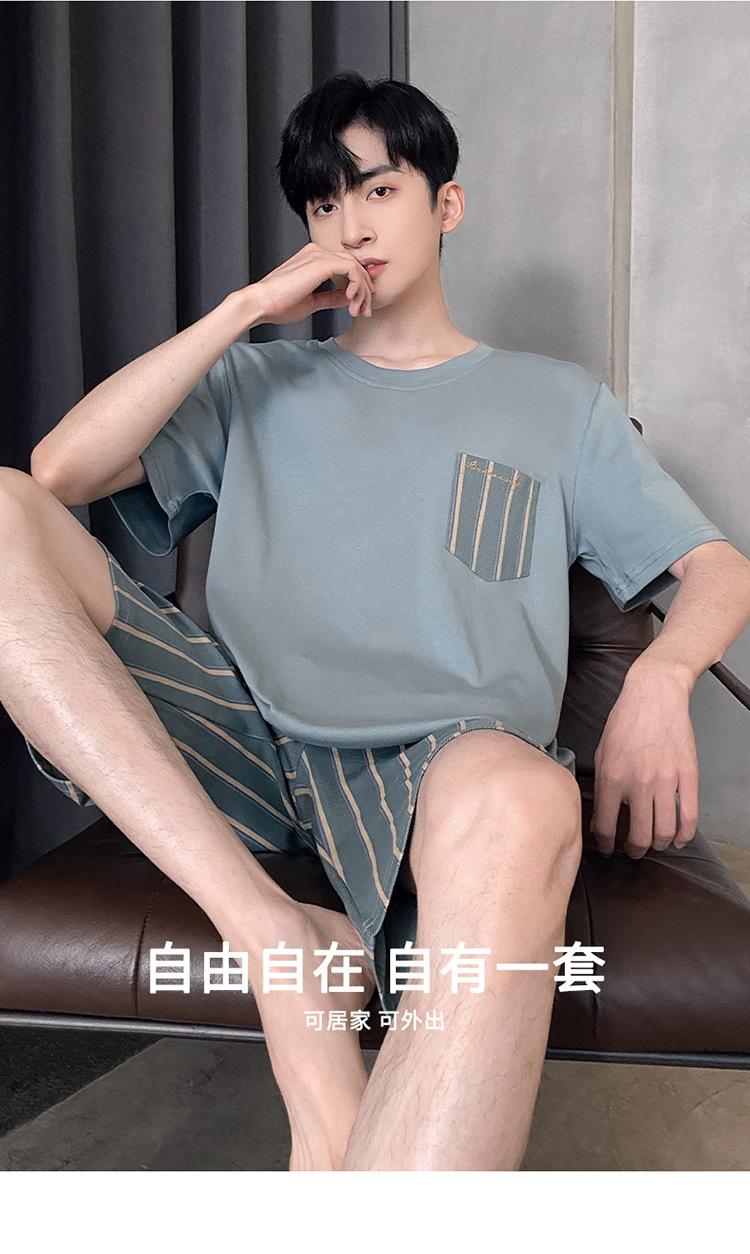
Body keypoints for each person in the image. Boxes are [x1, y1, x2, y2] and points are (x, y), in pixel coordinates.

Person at [2, 71, 749, 1172]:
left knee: (522, 798)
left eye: (379, 190)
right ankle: (275, 932)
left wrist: (662, 674)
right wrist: (242, 311)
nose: (349, 226)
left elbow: (718, 568)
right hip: (243, 738)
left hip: (445, 764)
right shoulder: (253, 384)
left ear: (448, 204)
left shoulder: (556, 404)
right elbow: (59, 472)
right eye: (323, 203)